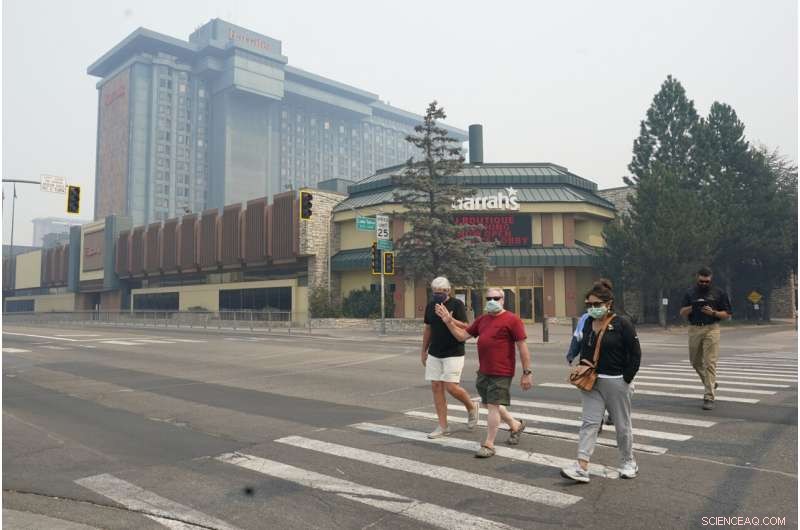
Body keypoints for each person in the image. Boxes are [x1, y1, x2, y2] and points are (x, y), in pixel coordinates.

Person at [435, 287, 533, 458]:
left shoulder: (512, 320)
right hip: (484, 371)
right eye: (489, 299)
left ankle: (489, 444)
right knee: (489, 403)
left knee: (493, 406)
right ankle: (515, 425)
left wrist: (527, 372)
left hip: (502, 371)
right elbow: (461, 336)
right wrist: (449, 322)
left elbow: (522, 347)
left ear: (503, 300)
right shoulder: (483, 320)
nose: (492, 301)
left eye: (496, 298)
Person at [561, 279, 641, 483]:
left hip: (616, 381)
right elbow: (582, 345)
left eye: (597, 304)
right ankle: (581, 466)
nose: (592, 308)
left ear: (608, 303)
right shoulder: (587, 322)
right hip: (592, 382)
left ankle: (628, 462)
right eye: (589, 305)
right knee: (589, 423)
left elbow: (635, 354)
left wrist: (626, 379)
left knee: (622, 425)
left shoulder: (622, 324)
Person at [422, 277, 479, 438]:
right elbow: (428, 329)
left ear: (448, 291)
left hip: (453, 351)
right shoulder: (430, 305)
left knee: (451, 387)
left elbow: (468, 327)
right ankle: (443, 426)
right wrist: (423, 351)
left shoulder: (457, 305)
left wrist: (449, 318)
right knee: (436, 387)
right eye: (434, 292)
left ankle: (471, 406)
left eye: (440, 292)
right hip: (435, 352)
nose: (437, 295)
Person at [679, 267, 732, 410]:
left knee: (710, 362)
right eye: (701, 281)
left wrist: (713, 312)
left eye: (706, 281)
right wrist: (693, 307)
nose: (704, 284)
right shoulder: (690, 292)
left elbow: (727, 314)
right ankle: (711, 383)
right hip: (694, 328)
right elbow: (682, 312)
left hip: (712, 328)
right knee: (695, 361)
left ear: (711, 279)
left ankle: (709, 396)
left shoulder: (719, 293)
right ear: (697, 278)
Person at [567, 309, 614, 429]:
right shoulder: (585, 318)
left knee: (607, 392)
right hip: (588, 365)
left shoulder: (614, 320)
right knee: (593, 393)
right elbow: (577, 337)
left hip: (607, 364)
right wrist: (571, 354)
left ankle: (612, 414)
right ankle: (598, 423)